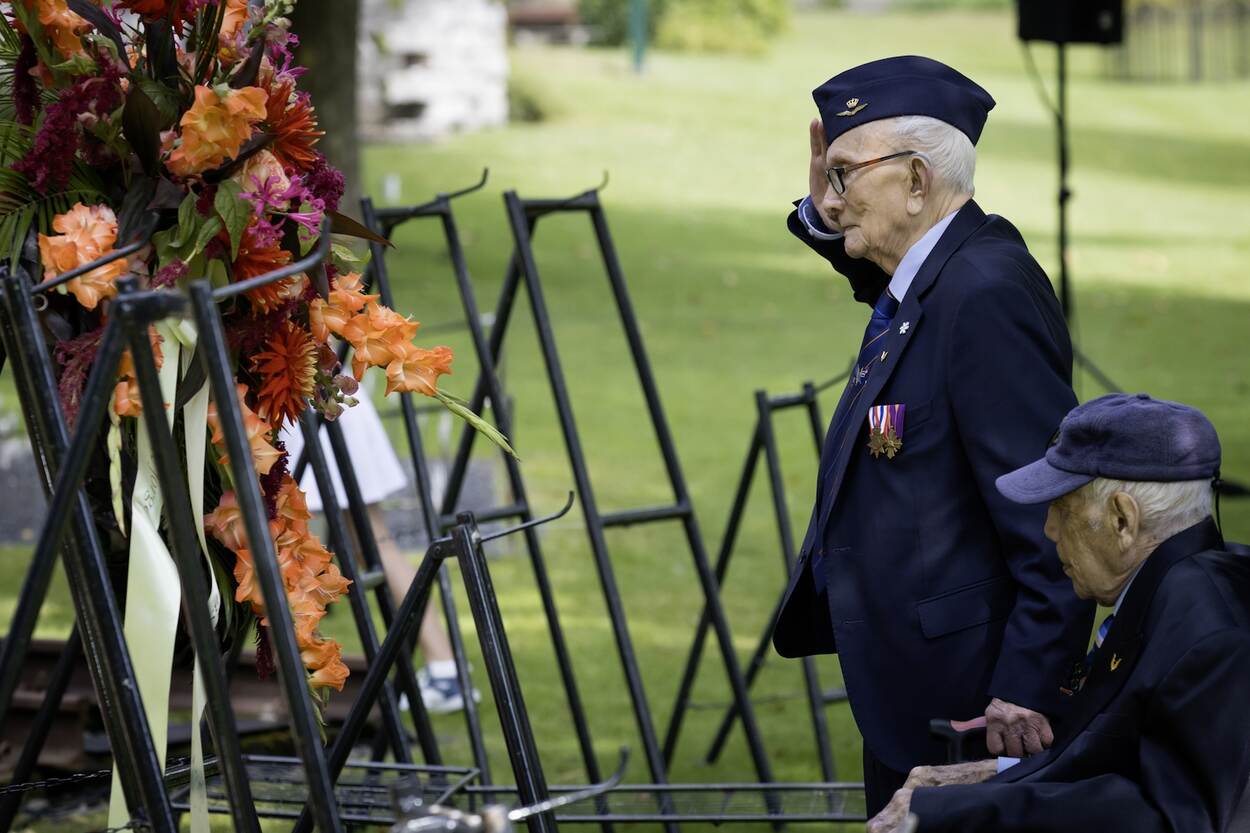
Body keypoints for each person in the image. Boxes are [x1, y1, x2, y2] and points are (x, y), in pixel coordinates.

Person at [771, 55, 1095, 814]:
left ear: (917, 181)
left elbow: (1051, 514)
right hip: (919, 689)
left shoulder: (982, 295)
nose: (833, 194)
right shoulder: (946, 268)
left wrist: (1026, 687)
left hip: (976, 709)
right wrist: (830, 213)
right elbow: (893, 284)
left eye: (847, 175)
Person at [868, 393, 1250, 833]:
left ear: (1123, 521)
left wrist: (950, 813)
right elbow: (1099, 758)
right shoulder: (1163, 594)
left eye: (1063, 509)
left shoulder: (1210, 638)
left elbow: (1168, 818)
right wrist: (977, 779)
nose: (1049, 530)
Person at [282, 390, 474, 714]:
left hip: (312, 406)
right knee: (372, 543)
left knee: (305, 545)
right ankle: (445, 667)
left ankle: (444, 669)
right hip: (332, 402)